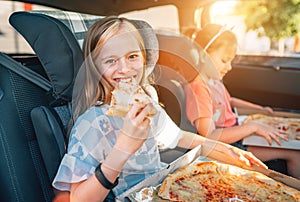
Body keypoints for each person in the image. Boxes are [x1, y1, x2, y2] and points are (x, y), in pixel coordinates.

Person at [52, 17, 267, 201]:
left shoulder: (147, 104)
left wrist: (227, 150)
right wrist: (123, 149)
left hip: (165, 189)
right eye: (111, 60)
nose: (125, 69)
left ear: (144, 59)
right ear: (95, 68)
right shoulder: (92, 122)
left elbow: (180, 137)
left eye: (132, 57)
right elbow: (77, 198)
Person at [184, 24, 300, 179]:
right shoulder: (198, 89)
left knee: (290, 138)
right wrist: (252, 127)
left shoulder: (214, 81)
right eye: (225, 60)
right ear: (202, 55)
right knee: (295, 153)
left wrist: (260, 110)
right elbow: (210, 137)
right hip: (229, 146)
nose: (230, 67)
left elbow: (229, 101)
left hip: (239, 133)